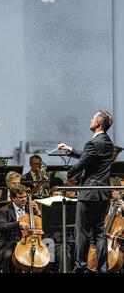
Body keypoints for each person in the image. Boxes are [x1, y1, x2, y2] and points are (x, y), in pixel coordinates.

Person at [58, 110, 114, 273]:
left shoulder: (93, 143)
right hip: (103, 193)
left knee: (82, 231)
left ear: (97, 123)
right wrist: (71, 150)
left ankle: (80, 267)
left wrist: (69, 175)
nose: (90, 120)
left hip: (89, 193)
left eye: (92, 118)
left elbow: (82, 163)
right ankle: (103, 268)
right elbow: (89, 156)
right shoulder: (108, 142)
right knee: (99, 232)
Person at [0, 185, 41, 273]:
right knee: (8, 256)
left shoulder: (30, 208)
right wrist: (18, 224)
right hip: (10, 242)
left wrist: (38, 212)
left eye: (25, 197)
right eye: (20, 198)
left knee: (44, 256)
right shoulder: (4, 210)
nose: (24, 199)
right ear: (12, 198)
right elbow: (1, 227)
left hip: (30, 241)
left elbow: (40, 224)